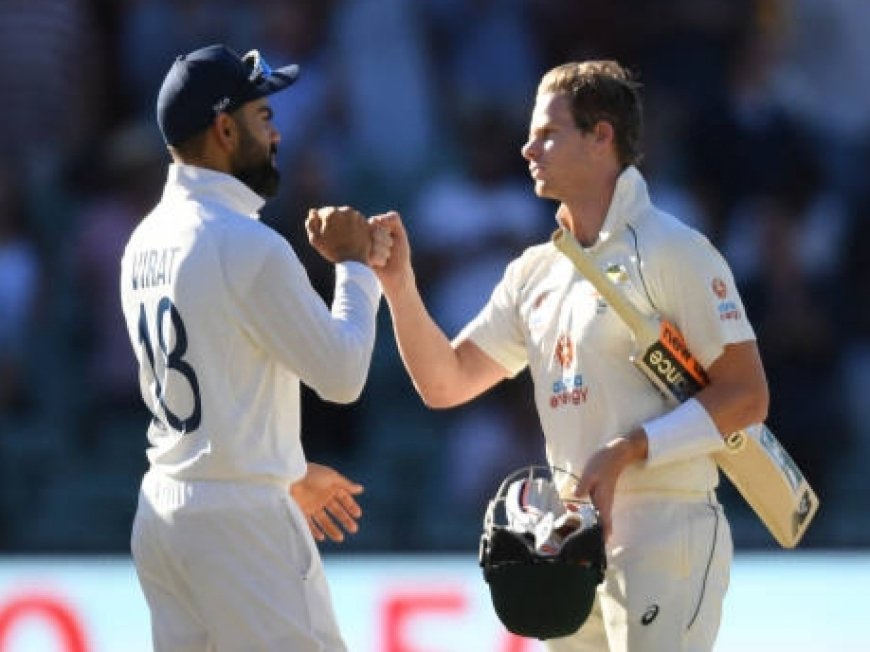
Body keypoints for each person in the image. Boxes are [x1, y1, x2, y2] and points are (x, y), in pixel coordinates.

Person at [371, 60, 769, 651]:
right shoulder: (534, 272)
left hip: (666, 524)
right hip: (572, 540)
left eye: (548, 133)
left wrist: (628, 450)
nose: (528, 147)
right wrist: (397, 282)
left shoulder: (675, 250)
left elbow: (747, 395)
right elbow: (445, 382)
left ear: (602, 135)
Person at [120, 44, 390, 651]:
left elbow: (221, 380)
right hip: (239, 527)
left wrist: (284, 469)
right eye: (263, 117)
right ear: (223, 128)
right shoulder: (245, 242)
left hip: (166, 510)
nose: (276, 134)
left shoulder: (143, 239)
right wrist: (356, 264)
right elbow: (343, 374)